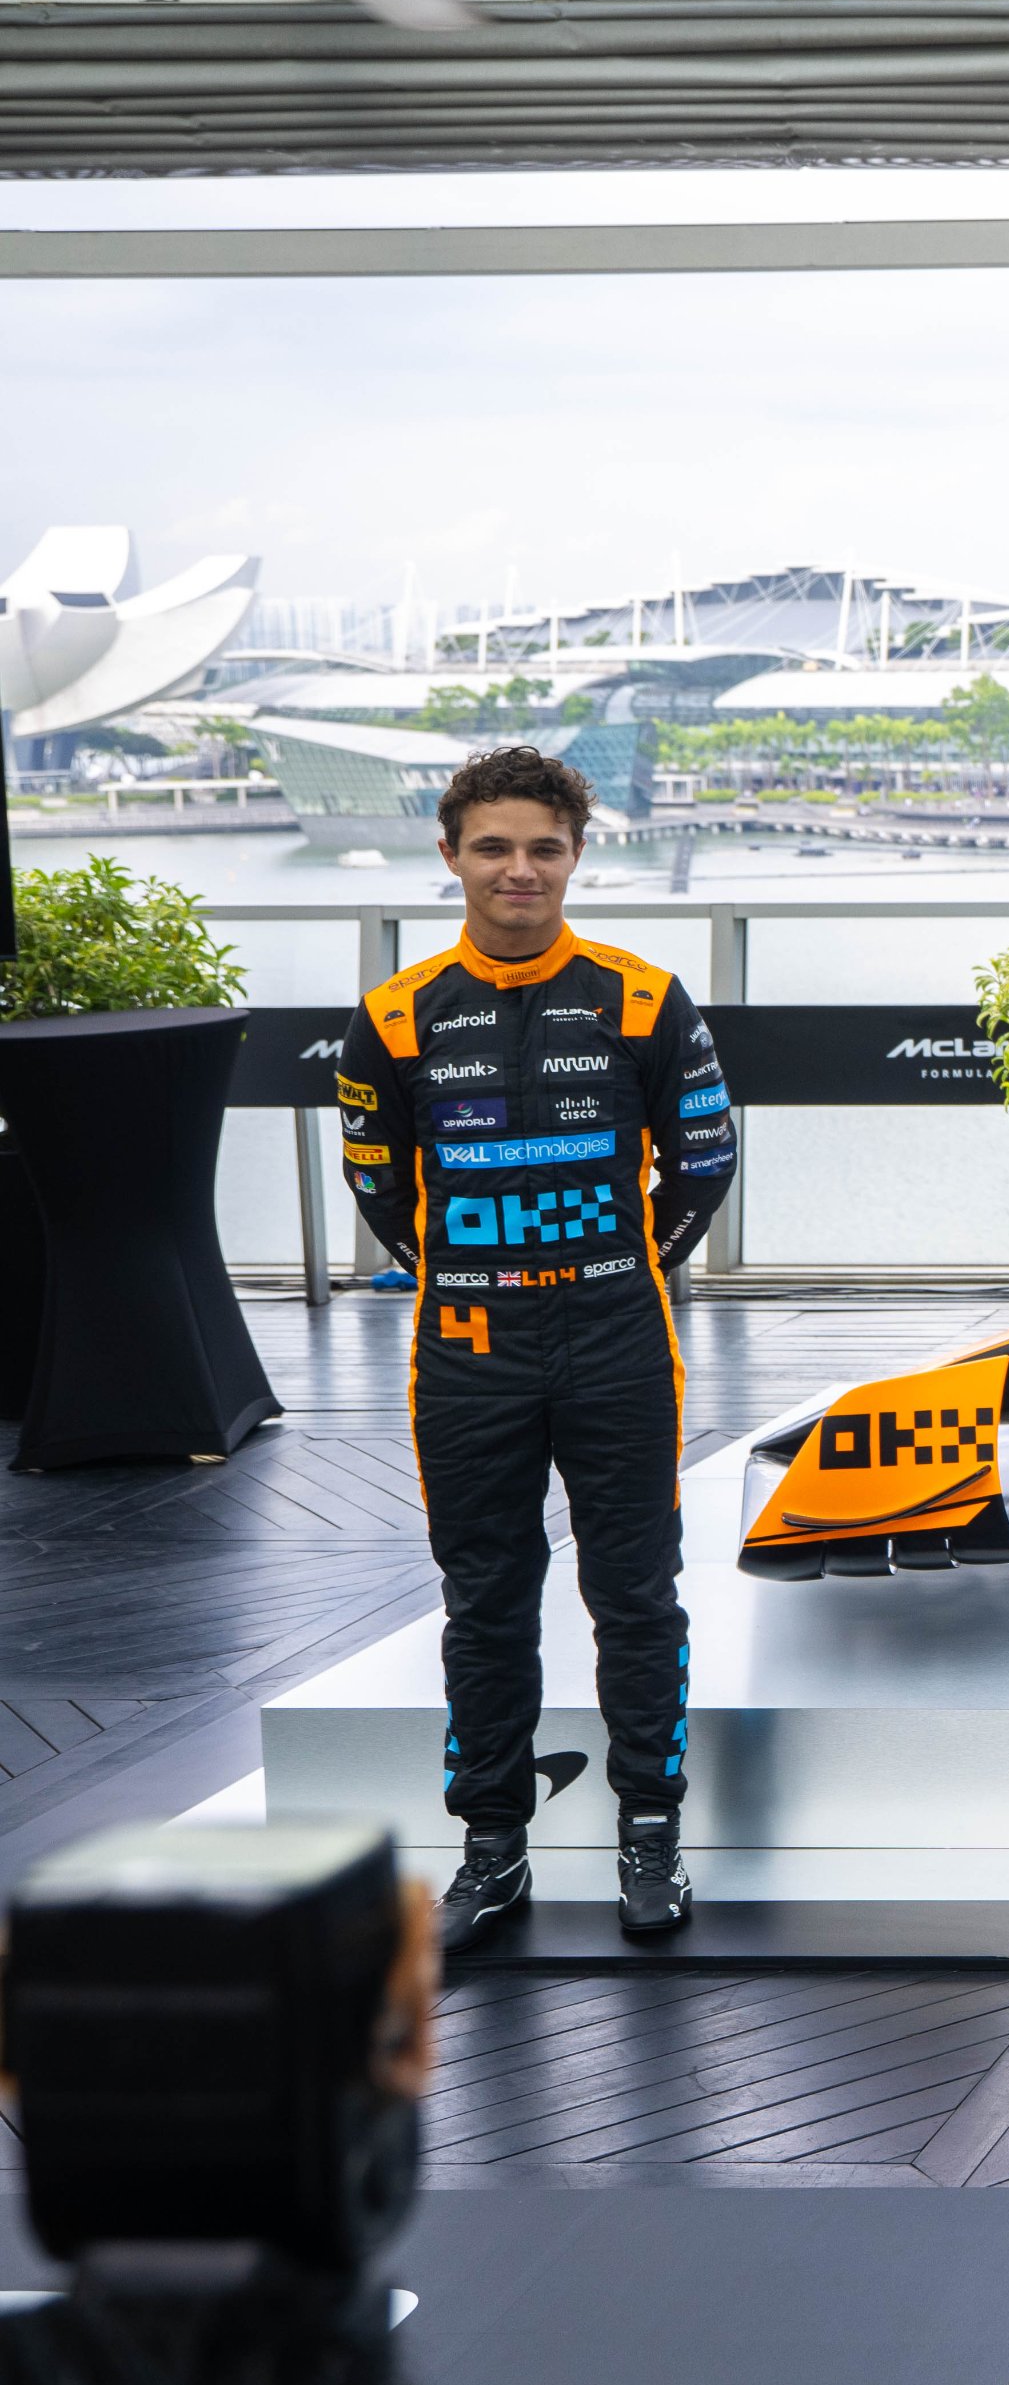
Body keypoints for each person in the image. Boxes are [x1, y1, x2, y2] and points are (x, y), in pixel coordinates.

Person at [334, 748, 732, 1946]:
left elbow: (703, 1165)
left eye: (544, 847)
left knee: (635, 1593)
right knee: (486, 1600)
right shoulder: (396, 1014)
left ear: (574, 855)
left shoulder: (643, 996)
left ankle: (650, 1831)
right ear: (450, 853)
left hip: (618, 1336)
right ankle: (492, 1845)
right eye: (495, 846)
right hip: (466, 1349)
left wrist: (615, 1268)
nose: (521, 869)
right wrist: (486, 1271)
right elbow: (379, 1183)